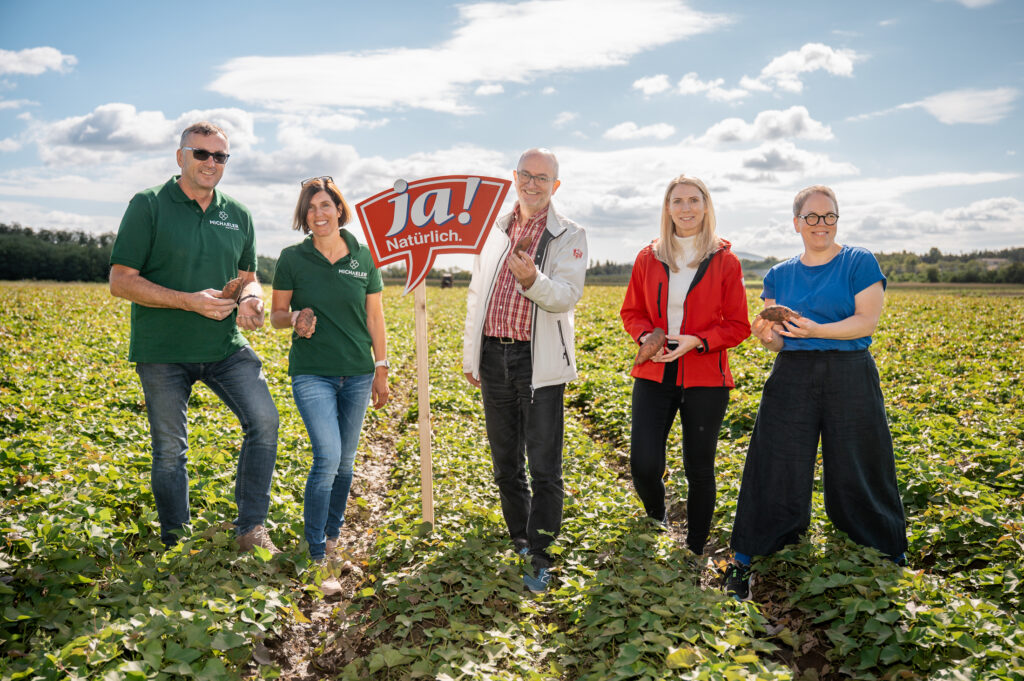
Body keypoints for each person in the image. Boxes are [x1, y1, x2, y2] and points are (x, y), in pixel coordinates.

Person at [723, 185, 907, 601]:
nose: (820, 225)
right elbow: (780, 342)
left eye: (829, 217)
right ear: (796, 224)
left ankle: (886, 551)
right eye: (811, 217)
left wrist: (817, 330)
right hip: (793, 373)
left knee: (860, 461)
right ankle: (750, 556)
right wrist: (766, 337)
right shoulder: (778, 275)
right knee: (775, 461)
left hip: (850, 372)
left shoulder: (859, 262)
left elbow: (865, 322)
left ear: (837, 221)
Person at [109, 121, 279, 553]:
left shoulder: (237, 213)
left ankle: (251, 529)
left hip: (224, 348)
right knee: (170, 450)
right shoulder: (148, 204)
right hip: (162, 351)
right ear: (180, 156)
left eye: (220, 156)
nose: (210, 163)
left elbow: (248, 278)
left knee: (264, 422)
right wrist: (189, 300)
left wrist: (251, 299)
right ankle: (175, 542)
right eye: (201, 153)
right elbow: (121, 281)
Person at [462, 148, 588, 593]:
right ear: (515, 178)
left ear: (555, 185)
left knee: (544, 464)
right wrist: (470, 354)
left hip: (538, 362)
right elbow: (477, 294)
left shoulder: (569, 234)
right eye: (526, 176)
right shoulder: (495, 230)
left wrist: (533, 280)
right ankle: (520, 535)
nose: (533, 184)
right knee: (504, 461)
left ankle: (542, 552)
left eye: (543, 178)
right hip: (493, 355)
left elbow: (567, 296)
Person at [620, 175, 750, 555]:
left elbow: (738, 324)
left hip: (705, 373)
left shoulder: (724, 260)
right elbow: (632, 311)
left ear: (706, 206)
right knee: (643, 462)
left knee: (699, 467)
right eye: (678, 201)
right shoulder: (649, 256)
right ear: (667, 207)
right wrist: (646, 337)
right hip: (655, 369)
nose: (686, 208)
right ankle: (657, 517)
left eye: (694, 200)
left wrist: (698, 341)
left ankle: (695, 548)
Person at [270, 177, 389, 593]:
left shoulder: (364, 257)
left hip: (357, 373)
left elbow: (375, 318)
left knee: (345, 463)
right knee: (327, 457)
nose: (318, 214)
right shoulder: (292, 259)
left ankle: (333, 538)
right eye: (310, 208)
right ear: (304, 216)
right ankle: (317, 555)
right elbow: (277, 315)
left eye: (325, 205)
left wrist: (381, 369)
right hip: (313, 372)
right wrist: (296, 317)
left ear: (339, 209)